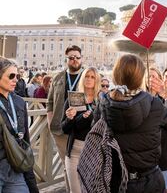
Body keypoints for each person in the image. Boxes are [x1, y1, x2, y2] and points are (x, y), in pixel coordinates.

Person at [93, 54, 167, 193]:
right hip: (149, 181)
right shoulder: (153, 103)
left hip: (116, 182)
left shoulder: (104, 103)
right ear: (141, 77)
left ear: (115, 75)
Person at [47, 45, 84, 190]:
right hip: (61, 130)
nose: (74, 60)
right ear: (67, 59)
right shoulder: (57, 77)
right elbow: (50, 102)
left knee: (80, 166)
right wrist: (50, 122)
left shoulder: (87, 76)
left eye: (77, 57)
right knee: (66, 166)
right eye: (71, 57)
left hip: (81, 130)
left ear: (81, 58)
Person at [0, 57, 38, 192]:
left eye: (17, 76)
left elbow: (25, 140)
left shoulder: (19, 102)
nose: (16, 79)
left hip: (15, 168)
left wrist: (31, 182)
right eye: (11, 76)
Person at [62, 67, 100, 193]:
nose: (89, 79)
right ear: (82, 78)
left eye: (92, 77)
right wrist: (69, 118)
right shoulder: (74, 98)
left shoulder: (100, 101)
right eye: (87, 76)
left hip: (94, 152)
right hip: (74, 152)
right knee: (76, 190)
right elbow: (64, 128)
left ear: (97, 80)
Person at [147, 67, 167, 193]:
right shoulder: (139, 100)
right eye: (149, 76)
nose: (152, 79)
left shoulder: (165, 100)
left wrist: (166, 95)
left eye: (155, 77)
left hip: (164, 155)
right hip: (146, 158)